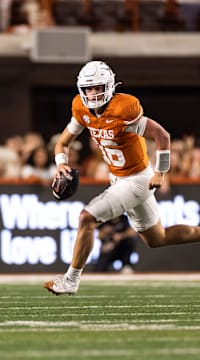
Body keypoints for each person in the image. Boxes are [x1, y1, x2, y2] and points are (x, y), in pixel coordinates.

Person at [44, 60, 200, 295]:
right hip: (119, 178)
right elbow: (63, 142)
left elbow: (162, 135)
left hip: (137, 179)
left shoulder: (123, 108)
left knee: (87, 218)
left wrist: (161, 171)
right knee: (158, 238)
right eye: (88, 88)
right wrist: (61, 165)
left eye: (97, 87)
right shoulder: (81, 108)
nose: (92, 93)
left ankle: (71, 280)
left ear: (108, 86)